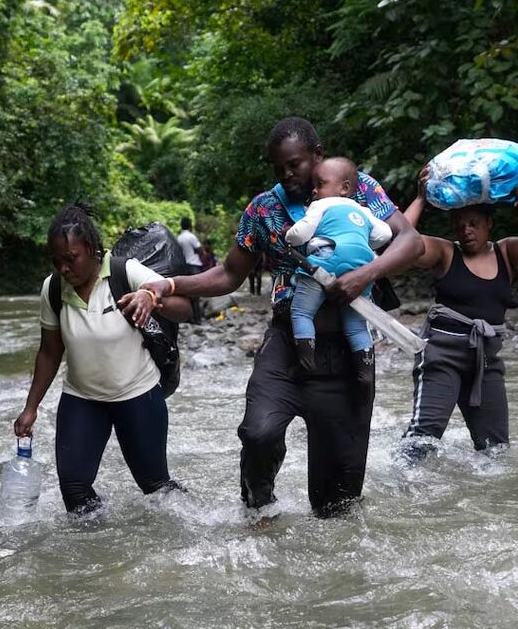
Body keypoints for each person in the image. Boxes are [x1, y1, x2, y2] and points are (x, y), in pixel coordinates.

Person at [138, 117, 424, 518]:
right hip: (287, 342)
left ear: (317, 155)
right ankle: (260, 510)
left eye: (295, 164)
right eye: (279, 168)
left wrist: (365, 275)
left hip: (347, 351)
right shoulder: (264, 208)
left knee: (336, 506)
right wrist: (168, 285)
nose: (288, 175)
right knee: (258, 432)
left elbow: (410, 242)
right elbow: (228, 274)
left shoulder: (356, 187)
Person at [13, 205, 192, 514]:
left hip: (137, 394)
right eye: (57, 262)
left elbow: (187, 307)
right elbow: (49, 351)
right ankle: (98, 551)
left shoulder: (126, 271)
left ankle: (192, 521)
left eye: (71, 259)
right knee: (74, 489)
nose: (64, 269)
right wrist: (31, 408)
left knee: (154, 485)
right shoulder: (53, 288)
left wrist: (152, 299)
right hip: (82, 398)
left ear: (92, 249)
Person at [398, 167, 518, 460]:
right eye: (460, 224)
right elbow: (401, 243)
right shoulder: (445, 253)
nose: (466, 230)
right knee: (422, 439)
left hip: (486, 361)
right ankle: (401, 486)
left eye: (474, 223)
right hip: (442, 356)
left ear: (488, 224)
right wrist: (420, 197)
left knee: (496, 450)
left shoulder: (506, 253)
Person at [285, 157, 392, 390]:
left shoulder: (320, 205)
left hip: (327, 259)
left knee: (302, 312)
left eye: (320, 183)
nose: (314, 189)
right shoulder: (362, 209)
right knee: (355, 325)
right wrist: (364, 242)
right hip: (362, 266)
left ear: (344, 188)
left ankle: (306, 362)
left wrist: (288, 236)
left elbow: (300, 234)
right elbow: (384, 234)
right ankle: (365, 372)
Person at [176, 217, 204, 323]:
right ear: (190, 225)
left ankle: (189, 318)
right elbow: (199, 249)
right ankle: (198, 318)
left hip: (184, 267)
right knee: (196, 293)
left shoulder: (178, 238)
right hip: (194, 265)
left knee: (186, 293)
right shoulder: (191, 237)